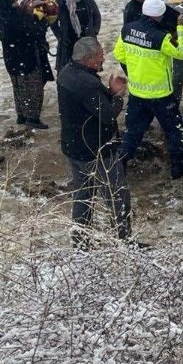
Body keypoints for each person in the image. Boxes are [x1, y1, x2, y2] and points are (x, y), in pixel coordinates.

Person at [57, 37, 133, 247]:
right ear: (89, 59)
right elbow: (107, 115)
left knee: (83, 195)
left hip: (74, 146)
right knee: (117, 196)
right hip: (96, 149)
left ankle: (80, 242)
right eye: (100, 55)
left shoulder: (66, 73)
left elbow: (88, 107)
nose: (103, 58)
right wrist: (117, 95)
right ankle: (125, 242)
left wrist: (106, 93)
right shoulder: (87, 83)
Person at [114, 0, 183, 179]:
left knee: (132, 132)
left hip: (136, 93)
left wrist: (136, 69)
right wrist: (181, 27)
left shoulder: (127, 30)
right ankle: (178, 167)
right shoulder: (161, 37)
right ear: (160, 15)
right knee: (175, 130)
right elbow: (182, 53)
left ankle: (119, 166)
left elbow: (119, 53)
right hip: (161, 95)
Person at [0, 0, 55, 129]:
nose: (17, 4)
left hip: (12, 60)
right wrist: (40, 23)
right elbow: (32, 32)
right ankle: (32, 117)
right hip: (26, 58)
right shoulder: (15, 19)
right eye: (14, 2)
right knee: (34, 88)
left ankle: (21, 114)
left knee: (19, 88)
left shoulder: (2, 17)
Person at [51, 0, 101, 72]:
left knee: (88, 66)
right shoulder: (60, 3)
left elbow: (96, 16)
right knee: (68, 68)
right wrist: (61, 36)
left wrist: (94, 31)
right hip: (68, 42)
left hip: (87, 40)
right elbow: (53, 22)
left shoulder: (88, 0)